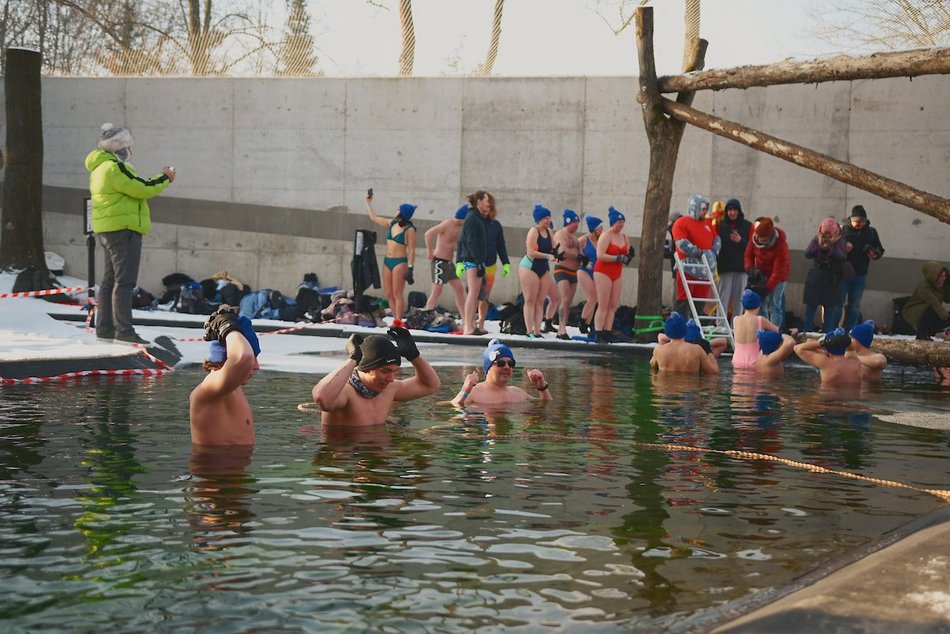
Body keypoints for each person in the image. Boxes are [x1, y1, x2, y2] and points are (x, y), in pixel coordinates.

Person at [86, 122, 175, 344]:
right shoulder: (114, 167)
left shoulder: (99, 167)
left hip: (107, 229)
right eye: (128, 147)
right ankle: (124, 332)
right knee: (124, 282)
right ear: (118, 147)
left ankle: (104, 329)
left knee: (110, 281)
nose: (130, 152)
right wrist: (164, 177)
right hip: (123, 230)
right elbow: (142, 188)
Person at [311, 327, 441, 426]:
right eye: (384, 371)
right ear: (366, 368)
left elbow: (430, 385)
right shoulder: (346, 392)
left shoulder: (390, 389)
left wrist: (414, 356)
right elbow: (322, 398)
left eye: (394, 371)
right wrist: (353, 359)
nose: (390, 379)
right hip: (346, 458)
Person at [190, 306, 262, 446]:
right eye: (254, 357)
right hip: (215, 467)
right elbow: (243, 358)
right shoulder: (210, 389)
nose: (257, 366)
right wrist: (228, 328)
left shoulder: (232, 388)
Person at [365, 192, 417, 328]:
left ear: (402, 213)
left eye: (399, 209)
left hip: (400, 262)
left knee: (397, 293)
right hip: (388, 261)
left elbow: (412, 250)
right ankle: (396, 318)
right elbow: (374, 218)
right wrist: (369, 203)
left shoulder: (409, 230)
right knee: (389, 293)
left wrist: (411, 268)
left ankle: (398, 321)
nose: (396, 210)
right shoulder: (391, 223)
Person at [452, 339, 553, 407]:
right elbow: (453, 408)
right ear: (488, 367)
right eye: (500, 363)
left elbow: (544, 406)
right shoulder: (473, 392)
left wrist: (542, 386)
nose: (506, 367)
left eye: (510, 363)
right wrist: (465, 390)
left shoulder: (518, 393)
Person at [672, 194, 720, 317]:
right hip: (688, 267)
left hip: (705, 268)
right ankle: (679, 326)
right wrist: (698, 252)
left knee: (700, 301)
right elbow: (681, 241)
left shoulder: (707, 225)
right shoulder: (681, 222)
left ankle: (697, 329)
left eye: (706, 210)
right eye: (703, 209)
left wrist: (713, 252)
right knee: (684, 299)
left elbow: (716, 239)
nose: (705, 212)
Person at [519, 204, 561, 338]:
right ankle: (529, 331)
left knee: (540, 301)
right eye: (545, 218)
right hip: (530, 266)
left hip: (543, 267)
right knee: (530, 300)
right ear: (539, 219)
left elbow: (554, 247)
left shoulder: (549, 232)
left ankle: (537, 330)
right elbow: (531, 251)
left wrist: (558, 254)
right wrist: (548, 256)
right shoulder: (534, 231)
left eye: (549, 218)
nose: (548, 220)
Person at [840, 205, 885, 331]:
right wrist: (844, 248)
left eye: (862, 221)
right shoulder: (843, 230)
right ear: (851, 220)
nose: (859, 224)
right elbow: (834, 248)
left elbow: (880, 249)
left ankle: (850, 331)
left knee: (854, 305)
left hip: (860, 273)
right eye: (857, 221)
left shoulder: (871, 232)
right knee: (838, 304)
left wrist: (875, 254)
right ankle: (837, 329)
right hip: (844, 273)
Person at [592, 207, 632, 343]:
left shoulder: (624, 237)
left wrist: (628, 256)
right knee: (603, 303)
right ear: (612, 222)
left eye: (622, 222)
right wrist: (617, 258)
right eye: (618, 222)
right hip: (603, 271)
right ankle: (598, 331)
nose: (620, 224)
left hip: (617, 272)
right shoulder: (606, 235)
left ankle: (607, 330)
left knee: (613, 304)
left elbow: (626, 253)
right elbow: (600, 255)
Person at [802, 217, 849, 333]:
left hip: (832, 278)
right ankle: (806, 332)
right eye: (824, 235)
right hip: (816, 276)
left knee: (829, 309)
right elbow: (807, 254)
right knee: (810, 307)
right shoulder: (816, 239)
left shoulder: (841, 240)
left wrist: (831, 249)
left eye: (829, 235)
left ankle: (828, 334)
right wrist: (819, 246)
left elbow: (843, 257)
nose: (827, 238)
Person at [744, 217, 790, 330]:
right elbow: (748, 254)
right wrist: (750, 269)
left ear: (769, 236)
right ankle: (763, 329)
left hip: (778, 277)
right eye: (758, 237)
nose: (760, 240)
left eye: (763, 238)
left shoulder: (780, 245)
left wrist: (767, 288)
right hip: (762, 274)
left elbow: (778, 270)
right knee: (760, 305)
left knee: (774, 304)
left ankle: (774, 330)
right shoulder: (754, 238)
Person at [456, 191, 491, 335]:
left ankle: (471, 324)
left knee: (476, 293)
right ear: (479, 202)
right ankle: (468, 326)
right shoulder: (472, 218)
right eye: (486, 200)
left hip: (475, 260)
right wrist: (478, 262)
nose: (488, 203)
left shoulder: (477, 218)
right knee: (472, 293)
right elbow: (469, 242)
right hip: (472, 260)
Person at [423, 204, 467, 317]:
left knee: (459, 288)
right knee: (437, 291)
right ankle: (426, 316)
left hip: (449, 263)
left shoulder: (459, 228)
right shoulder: (447, 223)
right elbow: (428, 234)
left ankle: (464, 318)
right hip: (439, 261)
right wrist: (430, 252)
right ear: (462, 218)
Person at [476, 192, 510, 335]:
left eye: (490, 207)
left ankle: (481, 323)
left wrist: (506, 263)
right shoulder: (476, 222)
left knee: (484, 296)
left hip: (490, 265)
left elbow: (501, 245)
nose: (487, 209)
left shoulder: (495, 225)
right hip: (476, 264)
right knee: (474, 294)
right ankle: (471, 323)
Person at [548, 209, 584, 340]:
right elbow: (562, 250)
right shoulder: (560, 234)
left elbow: (581, 253)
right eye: (575, 223)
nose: (577, 226)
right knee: (565, 298)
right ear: (569, 221)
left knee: (568, 301)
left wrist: (583, 258)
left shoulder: (575, 239)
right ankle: (561, 329)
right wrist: (577, 255)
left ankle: (559, 324)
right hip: (562, 270)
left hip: (573, 273)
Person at [650, 311, 720, 374]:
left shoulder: (658, 350)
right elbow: (713, 371)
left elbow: (653, 365)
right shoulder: (697, 350)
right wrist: (708, 350)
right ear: (685, 330)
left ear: (667, 332)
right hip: (690, 387)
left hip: (666, 387)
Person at [717, 198, 752, 319]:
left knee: (739, 299)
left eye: (735, 210)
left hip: (741, 268)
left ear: (739, 211)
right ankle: (720, 325)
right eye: (730, 210)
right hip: (724, 266)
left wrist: (741, 241)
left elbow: (752, 247)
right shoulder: (720, 225)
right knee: (723, 298)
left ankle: (735, 326)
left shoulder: (747, 225)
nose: (732, 213)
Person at [793, 328, 862, 385]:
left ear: (825, 347)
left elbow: (797, 348)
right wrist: (845, 340)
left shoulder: (825, 363)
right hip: (851, 400)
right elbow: (851, 349)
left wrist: (822, 343)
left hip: (827, 399)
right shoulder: (855, 362)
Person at [731, 289, 780, 370]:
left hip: (737, 361)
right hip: (754, 361)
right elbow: (778, 330)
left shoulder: (735, 319)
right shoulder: (760, 320)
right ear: (759, 305)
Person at [901, 261, 950, 341]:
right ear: (934, 276)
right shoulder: (924, 287)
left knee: (940, 315)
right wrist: (947, 318)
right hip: (913, 312)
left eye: (944, 276)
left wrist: (948, 286)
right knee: (934, 309)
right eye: (941, 276)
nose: (943, 278)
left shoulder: (939, 286)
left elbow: (947, 299)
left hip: (929, 313)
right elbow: (934, 303)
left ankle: (932, 332)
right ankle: (921, 333)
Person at [576, 215, 603, 335]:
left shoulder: (602, 240)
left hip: (597, 273)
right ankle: (582, 321)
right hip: (584, 271)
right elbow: (573, 251)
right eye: (599, 228)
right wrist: (583, 259)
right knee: (592, 296)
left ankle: (587, 323)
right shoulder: (583, 240)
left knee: (595, 298)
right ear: (593, 229)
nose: (601, 230)